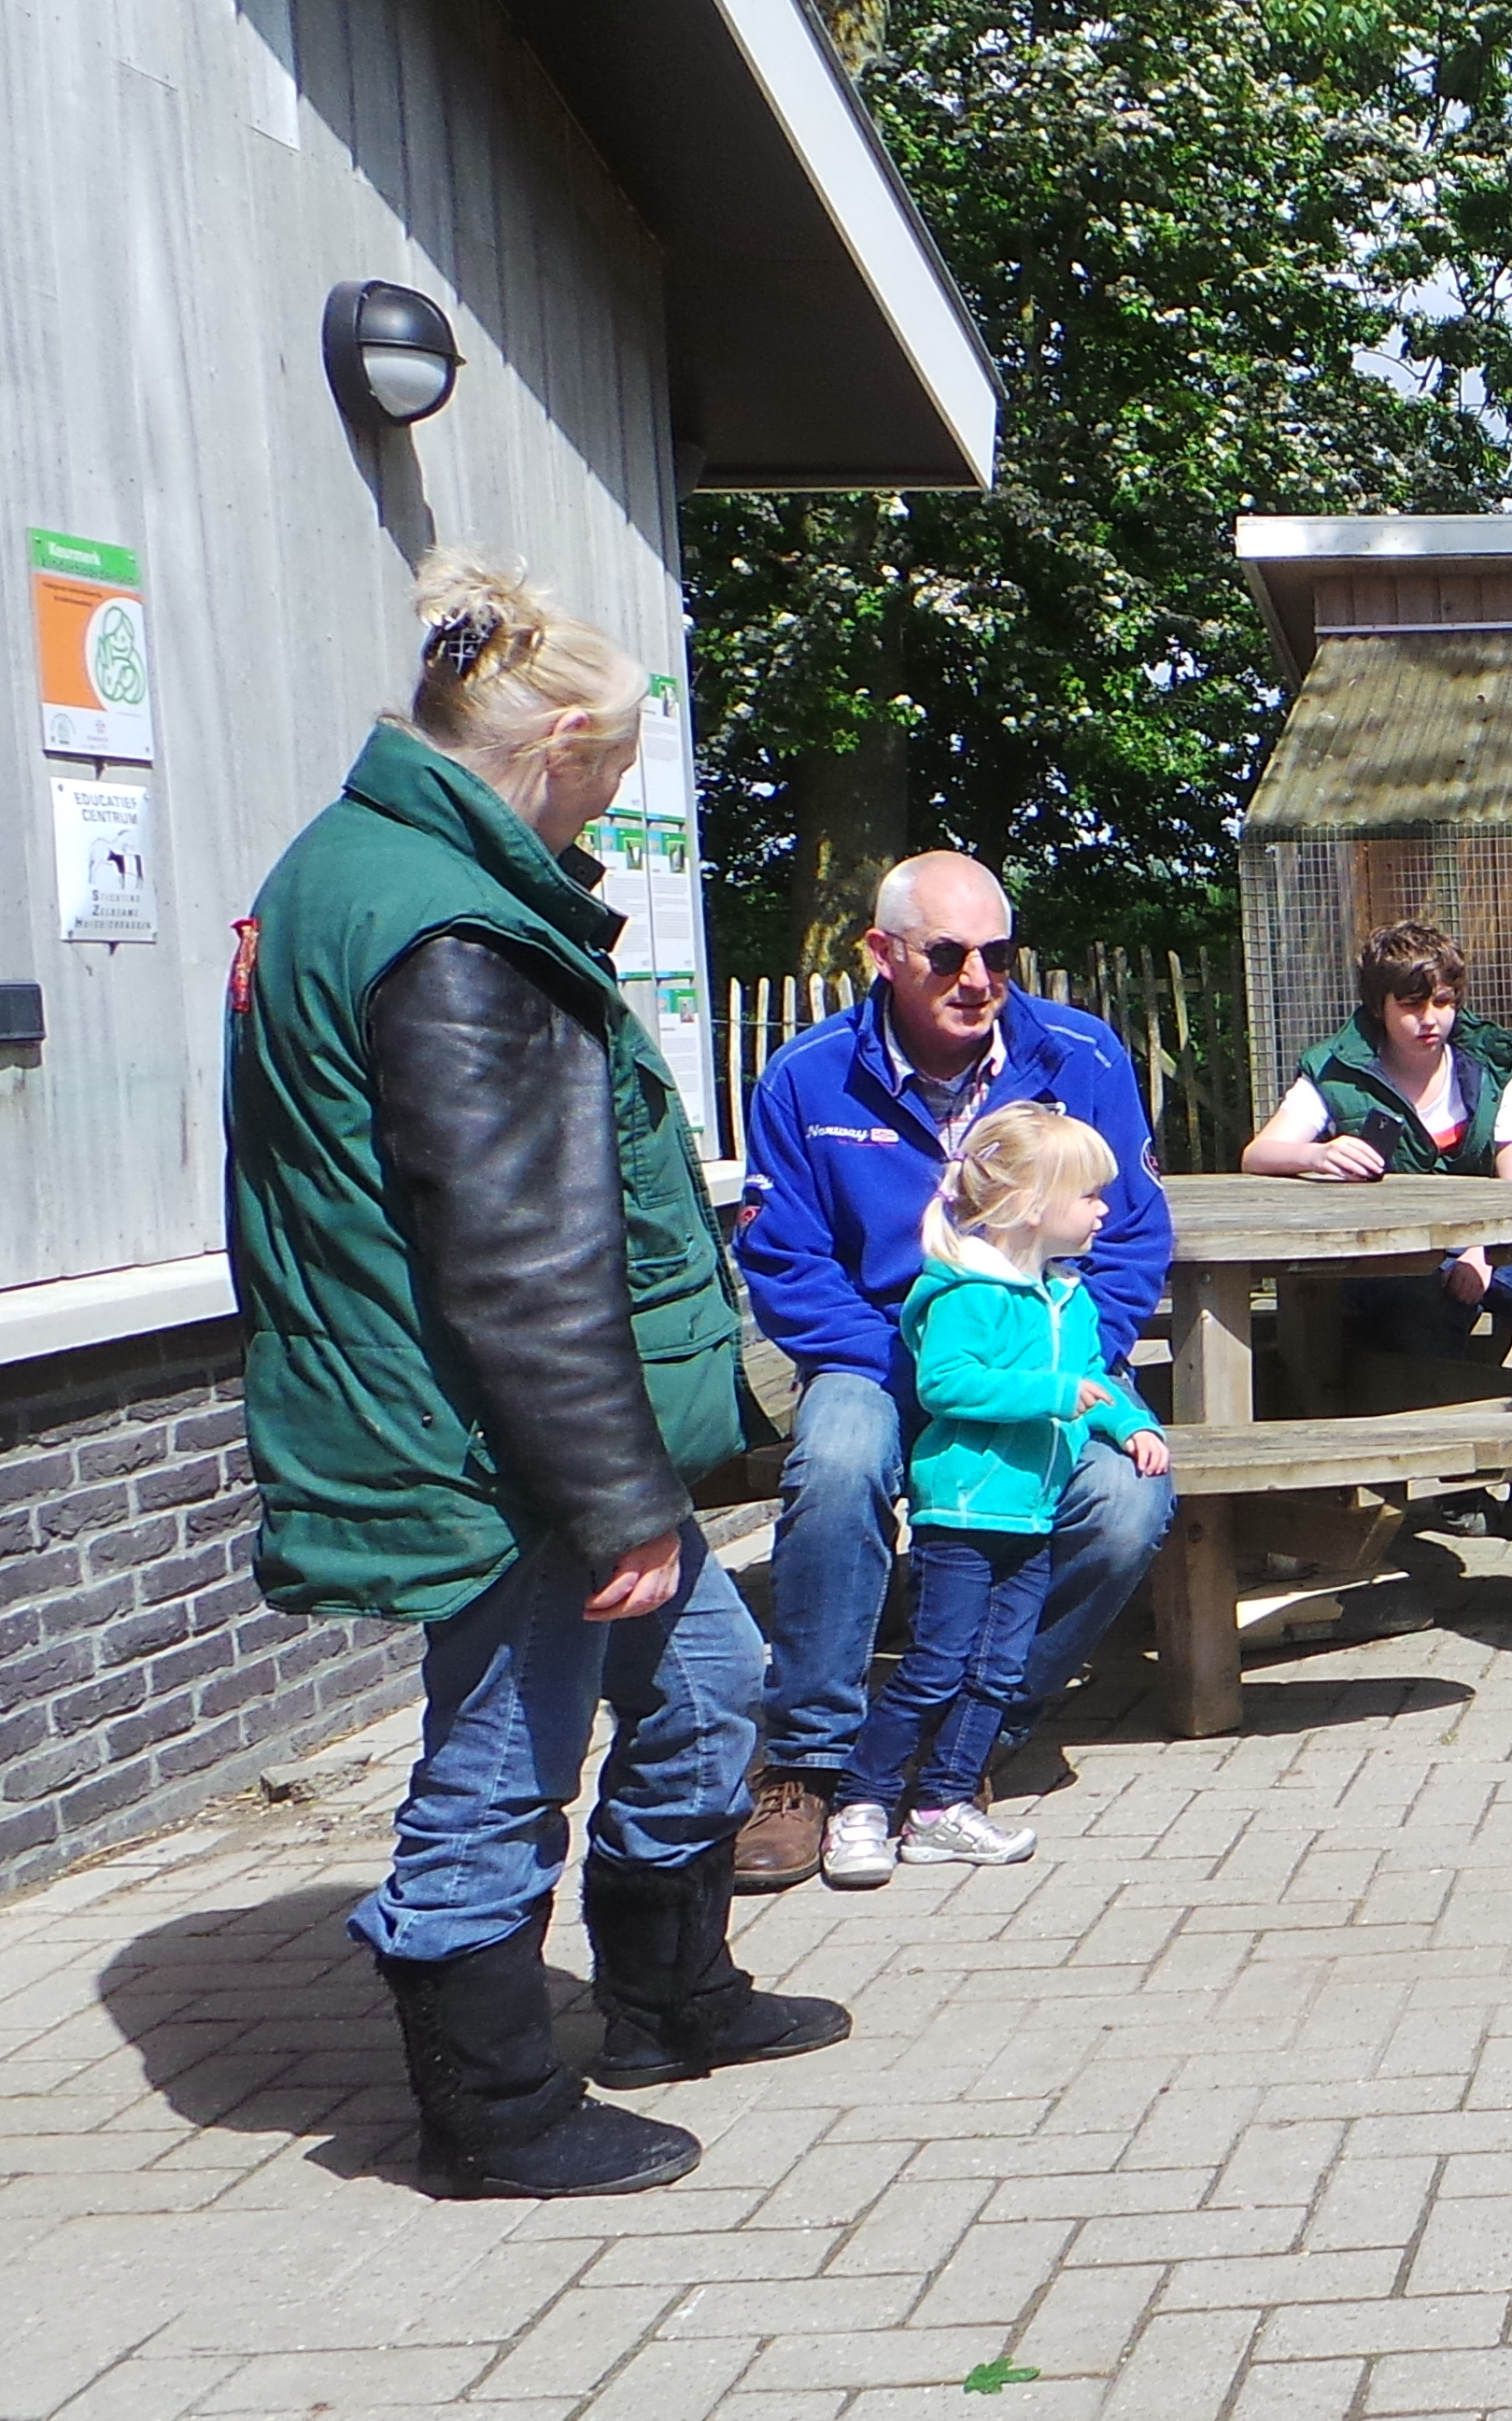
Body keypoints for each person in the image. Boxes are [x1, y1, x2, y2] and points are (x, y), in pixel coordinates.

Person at [224, 552, 847, 2199]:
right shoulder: (454, 928)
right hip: (496, 1444)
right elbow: (506, 1258)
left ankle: (663, 1995)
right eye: (619, 767)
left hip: (512, 1418)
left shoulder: (366, 870)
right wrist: (619, 1504)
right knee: (498, 1768)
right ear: (559, 742)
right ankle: (493, 2114)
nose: (618, 800)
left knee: (709, 1684)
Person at [732, 853, 1178, 1889]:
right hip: (877, 1349)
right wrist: (926, 1372)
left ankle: (962, 1737)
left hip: (1044, 1347)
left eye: (998, 954)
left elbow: (1133, 1238)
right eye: (948, 955)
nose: (979, 978)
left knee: (1127, 1500)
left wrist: (1060, 1363)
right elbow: (786, 1264)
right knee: (839, 1465)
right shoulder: (805, 1078)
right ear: (883, 955)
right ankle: (809, 1760)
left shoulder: (1082, 1057)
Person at [824, 1105, 1172, 1888]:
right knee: (936, 1666)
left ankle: (941, 1809)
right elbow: (945, 1383)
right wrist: (1051, 1392)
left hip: (1033, 1511)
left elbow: (1097, 1383)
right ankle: (861, 1805)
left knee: (997, 1670)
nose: (1104, 1210)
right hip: (965, 1513)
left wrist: (1131, 1426)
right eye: (1088, 1196)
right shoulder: (964, 1293)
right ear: (1028, 1206)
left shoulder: (1068, 1297)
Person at [1241, 919, 1512, 1550]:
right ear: (1379, 1008)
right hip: (1392, 1265)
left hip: (1490, 1248)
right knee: (1423, 1318)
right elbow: (1258, 1154)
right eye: (1411, 1005)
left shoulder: (1490, 1065)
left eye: (1443, 1001)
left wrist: (1482, 1252)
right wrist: (1319, 1156)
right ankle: (1455, 1475)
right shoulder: (1339, 1071)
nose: (1430, 1019)